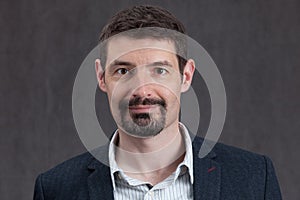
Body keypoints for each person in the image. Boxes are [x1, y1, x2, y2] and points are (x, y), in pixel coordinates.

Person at [34, 5, 282, 200]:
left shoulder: (255, 178)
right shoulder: (56, 189)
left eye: (159, 71)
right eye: (123, 71)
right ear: (101, 77)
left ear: (185, 76)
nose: (142, 90)